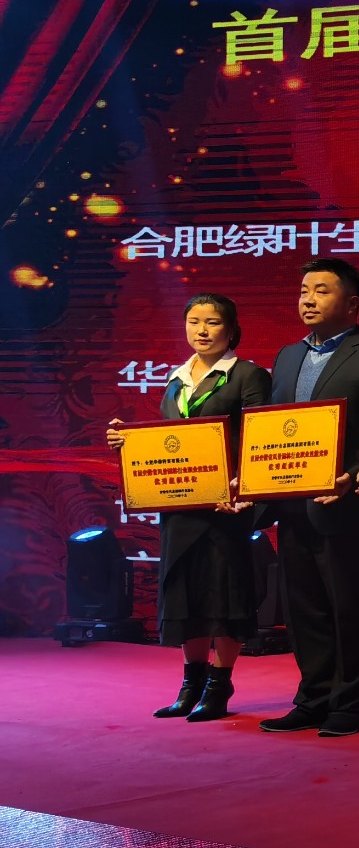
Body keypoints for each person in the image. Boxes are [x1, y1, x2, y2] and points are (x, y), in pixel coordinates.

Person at [256, 259, 359, 738]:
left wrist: (355, 475)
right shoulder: (286, 357)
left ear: (352, 303)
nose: (308, 299)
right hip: (293, 505)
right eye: (304, 290)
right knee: (304, 610)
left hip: (351, 508)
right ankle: (312, 699)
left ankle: (351, 704)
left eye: (322, 290)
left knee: (351, 608)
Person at [108, 294, 271, 722]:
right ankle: (191, 684)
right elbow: (169, 441)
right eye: (194, 321)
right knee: (184, 593)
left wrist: (244, 484)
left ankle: (219, 684)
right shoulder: (176, 379)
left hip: (225, 506)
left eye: (212, 322)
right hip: (179, 505)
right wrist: (127, 441)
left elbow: (259, 436)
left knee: (224, 594)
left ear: (231, 330)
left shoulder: (247, 375)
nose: (201, 330)